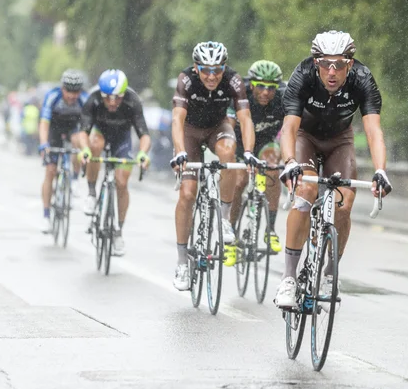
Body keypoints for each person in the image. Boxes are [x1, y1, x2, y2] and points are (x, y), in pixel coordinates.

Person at [274, 30, 393, 308]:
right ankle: (289, 278)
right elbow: (289, 128)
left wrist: (381, 170)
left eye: (339, 64)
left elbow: (374, 132)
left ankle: (329, 272)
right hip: (305, 137)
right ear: (315, 62)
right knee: (305, 190)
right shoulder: (302, 75)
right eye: (325, 63)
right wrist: (290, 161)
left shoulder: (363, 80)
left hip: (340, 141)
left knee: (344, 203)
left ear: (349, 64)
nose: (331, 71)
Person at [170, 41, 259, 291]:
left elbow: (245, 118)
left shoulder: (233, 80)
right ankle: (181, 263)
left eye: (217, 70)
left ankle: (224, 218)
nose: (211, 76)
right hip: (189, 132)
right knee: (187, 193)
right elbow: (177, 118)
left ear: (224, 68)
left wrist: (250, 152)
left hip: (217, 128)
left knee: (230, 155)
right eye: (206, 70)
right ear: (197, 67)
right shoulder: (186, 80)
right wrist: (179, 153)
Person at [78, 69, 151, 256]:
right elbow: (83, 133)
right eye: (107, 97)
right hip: (100, 134)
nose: (111, 102)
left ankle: (118, 231)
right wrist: (84, 149)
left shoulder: (132, 101)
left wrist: (143, 153)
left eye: (117, 98)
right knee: (94, 145)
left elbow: (144, 135)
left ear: (124, 94)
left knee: (121, 183)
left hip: (122, 140)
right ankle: (92, 193)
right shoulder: (93, 99)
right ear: (101, 94)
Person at [227, 60, 285, 255]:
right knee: (240, 181)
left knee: (273, 171)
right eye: (260, 86)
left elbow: (292, 129)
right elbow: (228, 125)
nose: (266, 92)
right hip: (240, 140)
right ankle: (231, 230)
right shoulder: (240, 93)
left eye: (271, 87)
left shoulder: (284, 97)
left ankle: (270, 229)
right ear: (251, 84)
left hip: (266, 142)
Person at [39, 70, 88, 233]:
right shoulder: (53, 97)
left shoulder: (84, 100)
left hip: (74, 129)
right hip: (54, 129)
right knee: (50, 171)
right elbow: (44, 123)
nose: (72, 95)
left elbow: (87, 129)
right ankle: (46, 216)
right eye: (69, 91)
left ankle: (74, 180)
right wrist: (44, 144)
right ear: (62, 89)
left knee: (76, 142)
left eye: (76, 91)